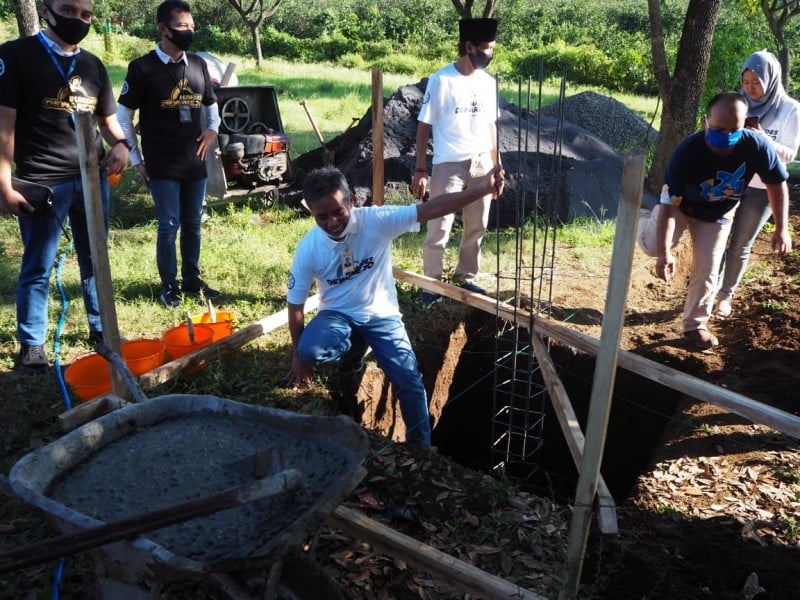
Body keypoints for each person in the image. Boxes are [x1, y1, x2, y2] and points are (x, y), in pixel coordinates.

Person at [286, 164, 505, 450]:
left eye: (337, 211)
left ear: (351, 200)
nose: (331, 222)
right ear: (312, 213)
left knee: (408, 380)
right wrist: (298, 355)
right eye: (321, 216)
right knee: (310, 350)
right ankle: (354, 352)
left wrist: (482, 189)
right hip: (337, 315)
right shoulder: (308, 248)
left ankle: (420, 446)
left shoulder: (377, 220)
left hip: (382, 315)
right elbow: (295, 304)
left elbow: (432, 208)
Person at [0, 0, 129, 371]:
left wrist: (121, 146)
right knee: (38, 264)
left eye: (86, 14)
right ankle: (32, 342)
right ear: (46, 9)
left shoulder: (92, 65)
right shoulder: (15, 56)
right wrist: (4, 184)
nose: (78, 19)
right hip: (43, 182)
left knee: (95, 257)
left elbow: (108, 121)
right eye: (69, 10)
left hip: (93, 181)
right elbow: (3, 129)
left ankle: (101, 326)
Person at [637, 91, 791, 350]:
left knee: (708, 271)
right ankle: (640, 217)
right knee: (653, 247)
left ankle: (694, 326)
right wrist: (664, 253)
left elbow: (776, 184)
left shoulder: (756, 146)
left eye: (735, 129)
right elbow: (667, 204)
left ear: (745, 125)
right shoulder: (686, 153)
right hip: (680, 207)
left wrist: (782, 227)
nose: (728, 135)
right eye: (720, 128)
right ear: (704, 122)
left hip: (718, 214)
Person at [116, 0, 221, 308]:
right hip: (161, 161)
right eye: (182, 26)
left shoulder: (199, 65)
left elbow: (211, 104)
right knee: (168, 225)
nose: (189, 32)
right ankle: (169, 285)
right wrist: (137, 161)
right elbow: (124, 116)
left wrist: (212, 130)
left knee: (193, 223)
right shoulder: (142, 68)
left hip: (195, 160)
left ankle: (191, 280)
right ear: (163, 29)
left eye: (192, 26)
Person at [411, 18, 499, 308]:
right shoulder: (442, 80)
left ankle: (466, 276)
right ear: (469, 47)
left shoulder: (488, 83)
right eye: (486, 48)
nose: (490, 54)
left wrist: (496, 166)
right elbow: (424, 127)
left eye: (493, 48)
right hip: (449, 163)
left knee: (478, 223)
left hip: (481, 163)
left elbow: (491, 127)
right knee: (439, 224)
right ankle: (431, 283)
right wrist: (421, 169)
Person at [715, 51, 800, 318]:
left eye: (757, 81)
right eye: (746, 80)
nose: (751, 87)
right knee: (716, 237)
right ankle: (707, 289)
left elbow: (789, 155)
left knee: (740, 241)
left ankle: (724, 296)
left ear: (771, 78)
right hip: (730, 180)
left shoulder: (790, 109)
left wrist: (763, 140)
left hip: (763, 188)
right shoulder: (738, 103)